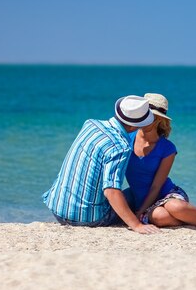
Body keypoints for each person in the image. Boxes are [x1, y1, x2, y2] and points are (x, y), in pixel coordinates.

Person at [43, 95, 161, 234]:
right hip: (87, 219)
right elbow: (111, 190)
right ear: (134, 126)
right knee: (136, 192)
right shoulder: (121, 147)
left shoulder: (90, 124)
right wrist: (136, 226)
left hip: (58, 208)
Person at [125, 93, 196, 229]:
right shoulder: (127, 139)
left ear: (159, 119)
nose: (145, 119)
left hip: (167, 194)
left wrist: (140, 211)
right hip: (143, 200)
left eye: (151, 116)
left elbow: (157, 186)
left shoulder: (167, 148)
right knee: (160, 218)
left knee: (174, 206)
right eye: (144, 115)